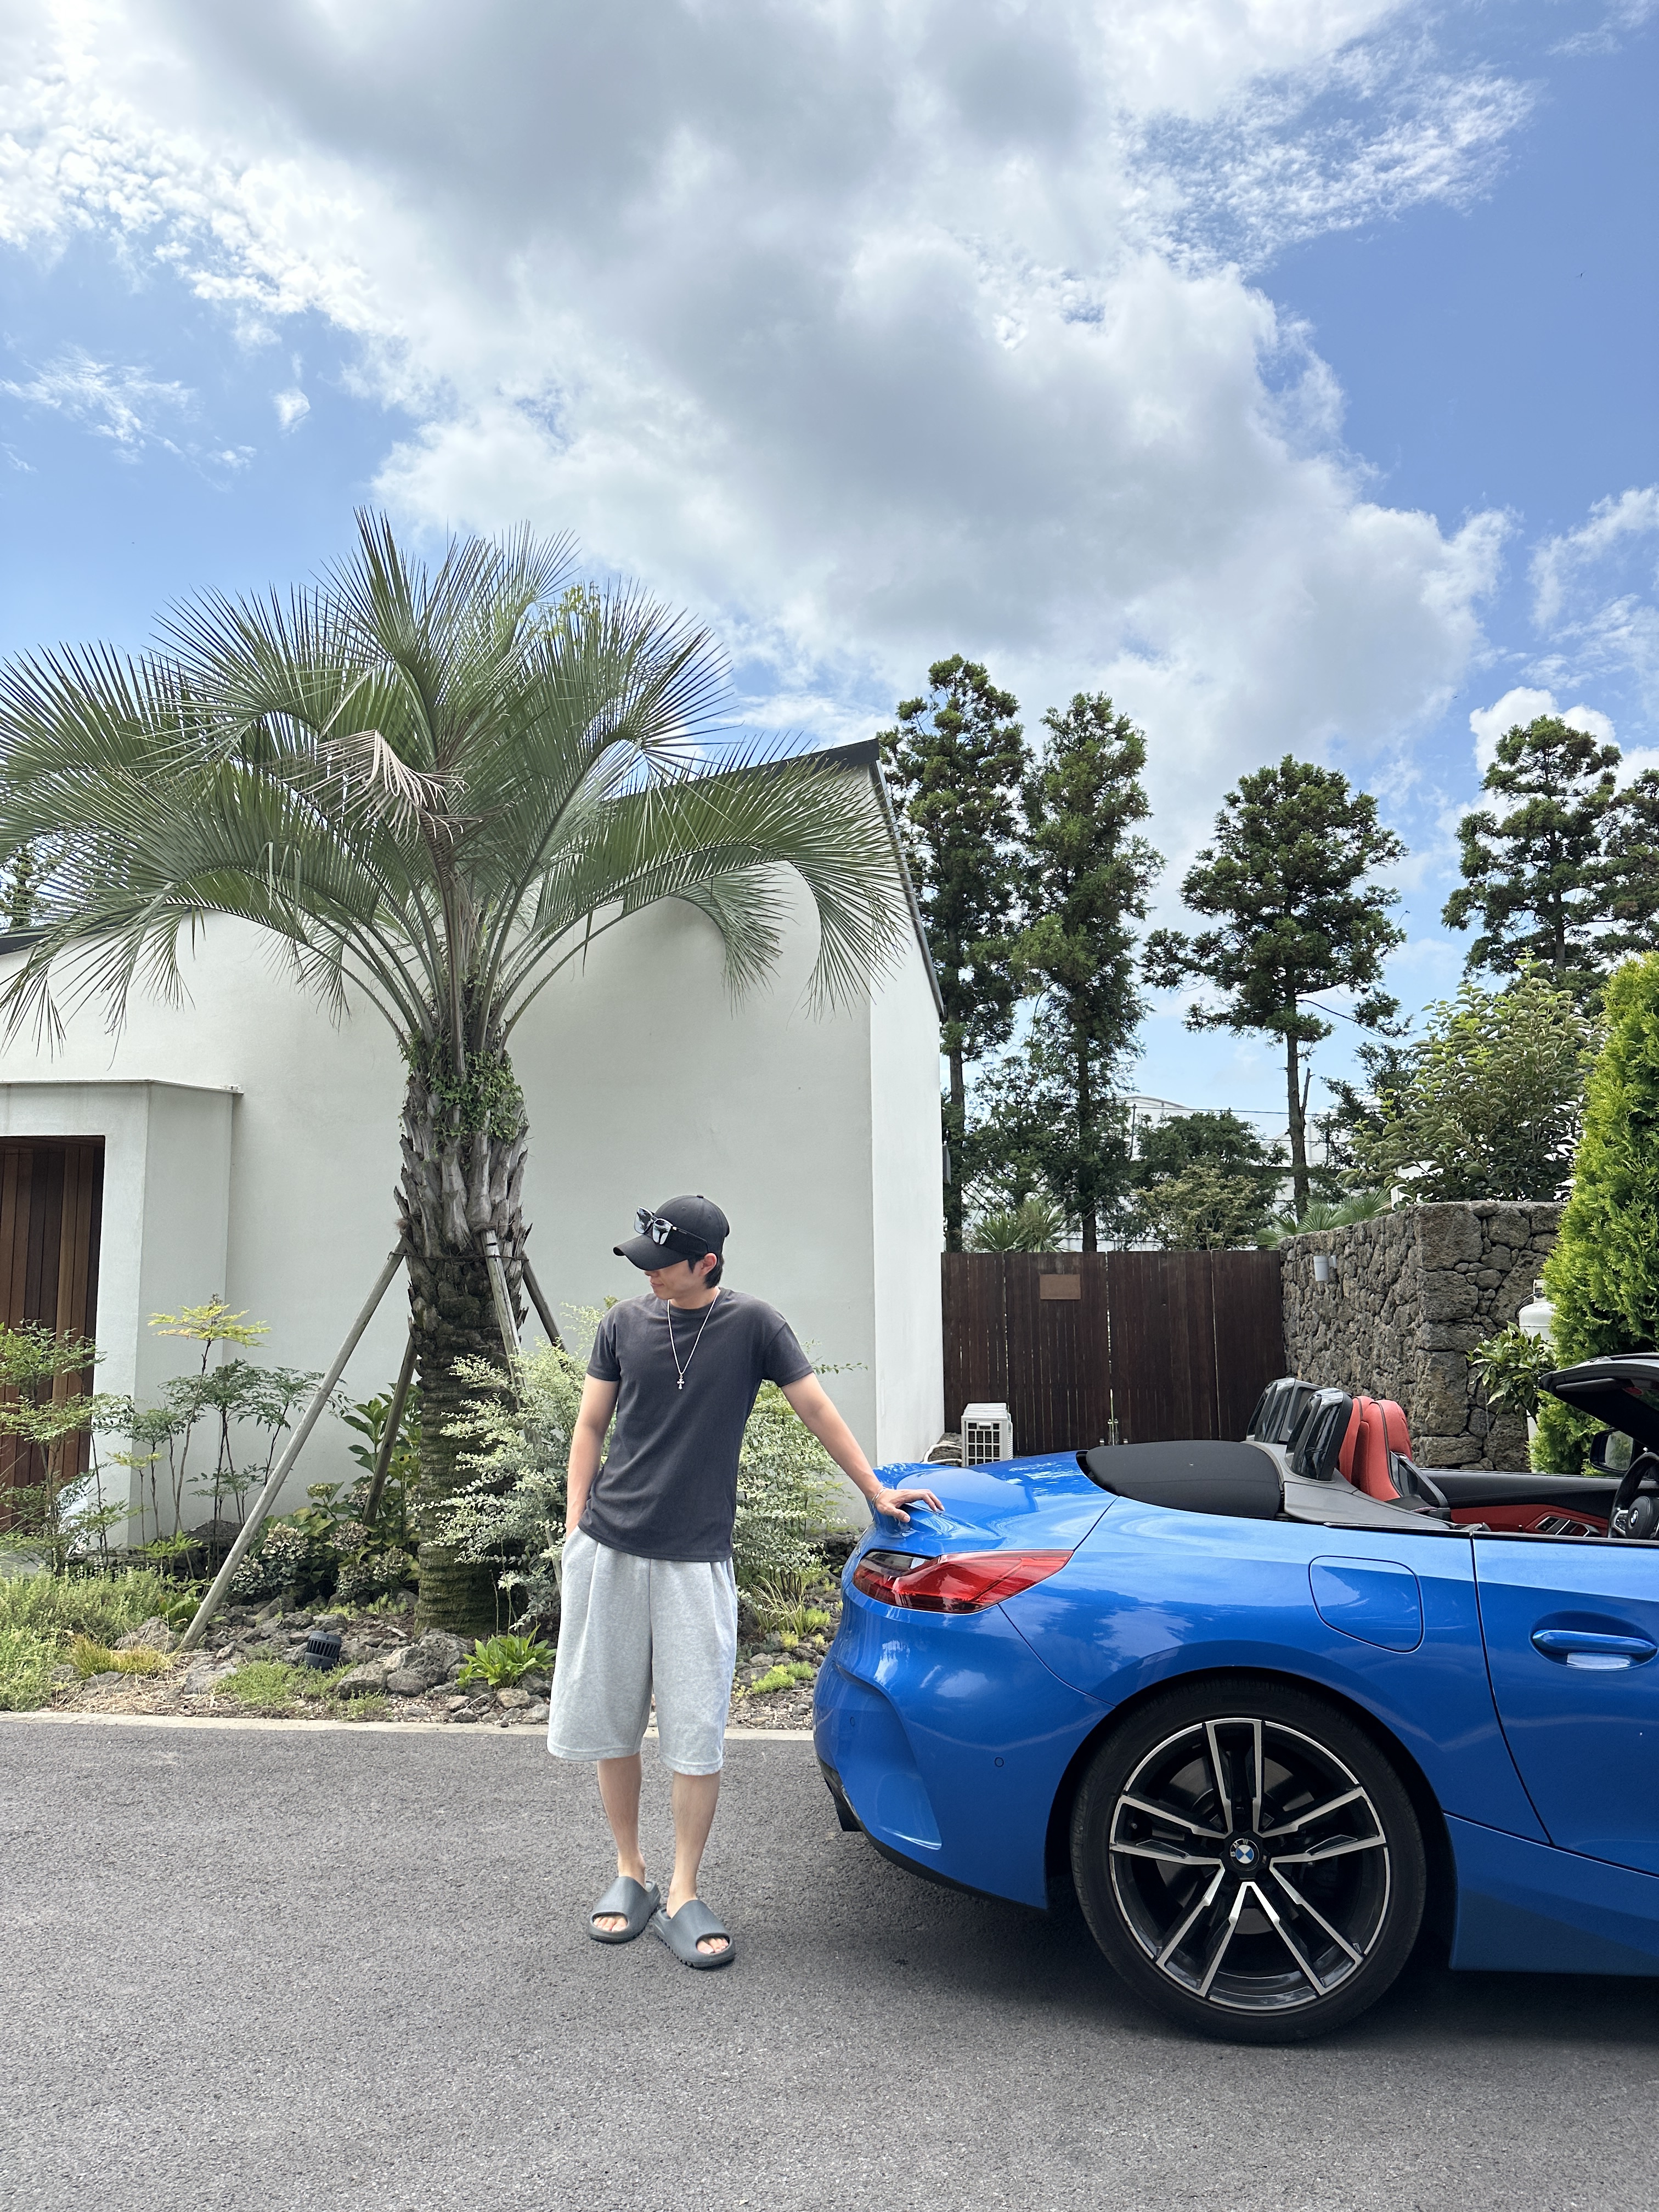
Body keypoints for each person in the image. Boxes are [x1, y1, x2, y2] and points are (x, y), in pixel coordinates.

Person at [547, 1193, 943, 1969]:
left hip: (696, 1559)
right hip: (610, 1546)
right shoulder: (623, 1324)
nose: (650, 1274)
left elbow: (815, 1408)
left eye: (665, 1263)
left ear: (707, 1263)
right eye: (645, 1261)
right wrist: (573, 1528)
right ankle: (628, 1870)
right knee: (612, 1720)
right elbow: (590, 1425)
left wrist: (874, 1489)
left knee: (695, 1729)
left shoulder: (755, 1324)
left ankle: (683, 1891)